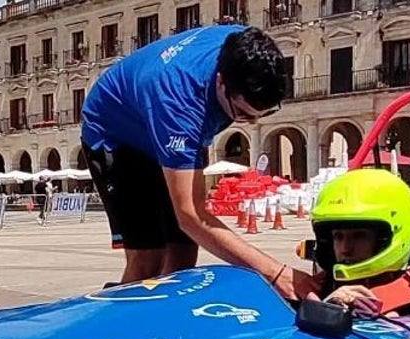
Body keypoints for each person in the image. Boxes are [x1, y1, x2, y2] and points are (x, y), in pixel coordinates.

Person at [80, 25, 318, 301]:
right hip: (116, 135)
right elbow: (190, 216)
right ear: (221, 81)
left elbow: (191, 227)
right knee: (148, 258)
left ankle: (166, 321)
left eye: (261, 115)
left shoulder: (244, 44)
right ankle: (118, 327)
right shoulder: (180, 102)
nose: (251, 122)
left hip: (161, 117)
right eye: (242, 113)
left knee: (183, 252)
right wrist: (276, 274)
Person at [303, 168, 410, 318]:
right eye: (338, 237)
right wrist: (326, 310)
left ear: (385, 239)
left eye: (359, 236)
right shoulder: (321, 288)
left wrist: (395, 328)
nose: (345, 248)